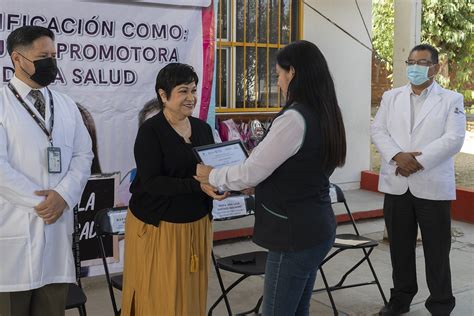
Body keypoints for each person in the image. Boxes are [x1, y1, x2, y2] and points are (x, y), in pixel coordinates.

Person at [195, 40, 347, 315]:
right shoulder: (326, 112)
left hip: (294, 235)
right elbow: (303, 169)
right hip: (316, 226)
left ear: (293, 73)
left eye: (278, 74)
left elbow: (251, 170)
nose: (278, 82)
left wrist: (212, 174)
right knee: (297, 309)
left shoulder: (294, 119)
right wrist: (263, 185)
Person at [0, 26, 93, 316]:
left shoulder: (66, 105)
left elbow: (83, 154)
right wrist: (43, 202)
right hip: (14, 230)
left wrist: (63, 196)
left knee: (52, 309)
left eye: (53, 55)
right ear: (18, 59)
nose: (51, 62)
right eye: (43, 56)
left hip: (56, 234)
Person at [121, 63, 225, 316]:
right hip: (159, 226)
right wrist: (199, 183)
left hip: (197, 224)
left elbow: (210, 169)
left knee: (190, 296)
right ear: (163, 95)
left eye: (193, 90)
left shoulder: (202, 129)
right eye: (183, 91)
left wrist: (221, 182)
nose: (191, 98)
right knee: (158, 297)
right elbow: (151, 182)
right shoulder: (151, 131)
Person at [371, 44, 466, 316]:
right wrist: (397, 156)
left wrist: (415, 162)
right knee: (400, 249)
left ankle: (440, 305)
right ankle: (400, 300)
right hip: (397, 183)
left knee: (437, 252)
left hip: (432, 185)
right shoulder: (391, 97)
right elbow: (378, 129)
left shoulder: (451, 99)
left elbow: (453, 139)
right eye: (410, 62)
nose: (415, 67)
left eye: (422, 62)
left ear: (435, 68)